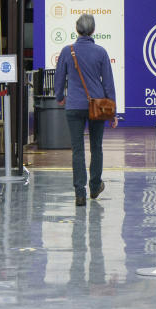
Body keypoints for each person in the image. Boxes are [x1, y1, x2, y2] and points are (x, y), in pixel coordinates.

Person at [54, 13, 117, 207]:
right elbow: (108, 83)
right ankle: (95, 186)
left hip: (73, 105)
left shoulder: (67, 51)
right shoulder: (101, 52)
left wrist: (59, 97)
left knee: (78, 150)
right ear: (93, 30)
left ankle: (79, 193)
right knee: (96, 147)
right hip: (96, 105)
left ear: (76, 29)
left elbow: (59, 78)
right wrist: (112, 109)